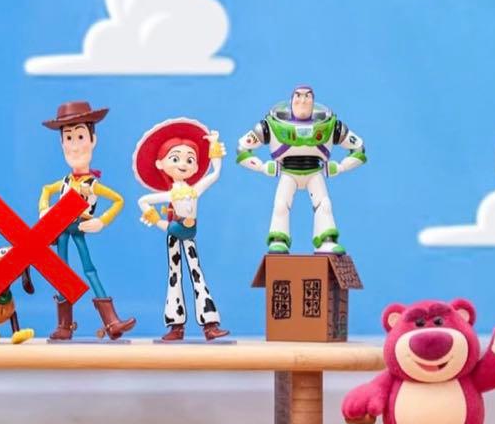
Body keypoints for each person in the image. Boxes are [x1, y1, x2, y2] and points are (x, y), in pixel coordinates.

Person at [39, 101, 136, 340]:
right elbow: (46, 189)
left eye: (80, 136)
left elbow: (119, 200)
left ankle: (111, 322)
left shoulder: (92, 184)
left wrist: (101, 221)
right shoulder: (64, 181)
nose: (74, 146)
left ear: (93, 140)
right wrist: (44, 210)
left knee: (89, 269)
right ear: (61, 143)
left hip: (79, 226)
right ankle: (64, 325)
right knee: (61, 271)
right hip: (60, 228)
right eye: (68, 138)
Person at [236, 85, 366, 254]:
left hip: (314, 172)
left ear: (313, 100)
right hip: (288, 172)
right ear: (292, 100)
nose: (303, 101)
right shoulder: (271, 125)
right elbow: (242, 149)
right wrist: (263, 167)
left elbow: (359, 149)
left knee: (324, 205)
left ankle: (325, 241)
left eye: (307, 96)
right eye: (298, 96)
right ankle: (278, 240)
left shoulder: (330, 125)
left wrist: (340, 167)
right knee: (281, 205)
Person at [133, 117, 230, 341]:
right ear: (160, 164)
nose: (183, 164)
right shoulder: (170, 194)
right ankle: (176, 325)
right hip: (175, 233)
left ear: (195, 166)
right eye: (175, 158)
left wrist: (214, 146)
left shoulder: (195, 189)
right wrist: (160, 222)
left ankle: (210, 323)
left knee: (197, 272)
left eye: (190, 159)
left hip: (189, 233)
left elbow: (215, 174)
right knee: (174, 274)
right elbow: (143, 200)